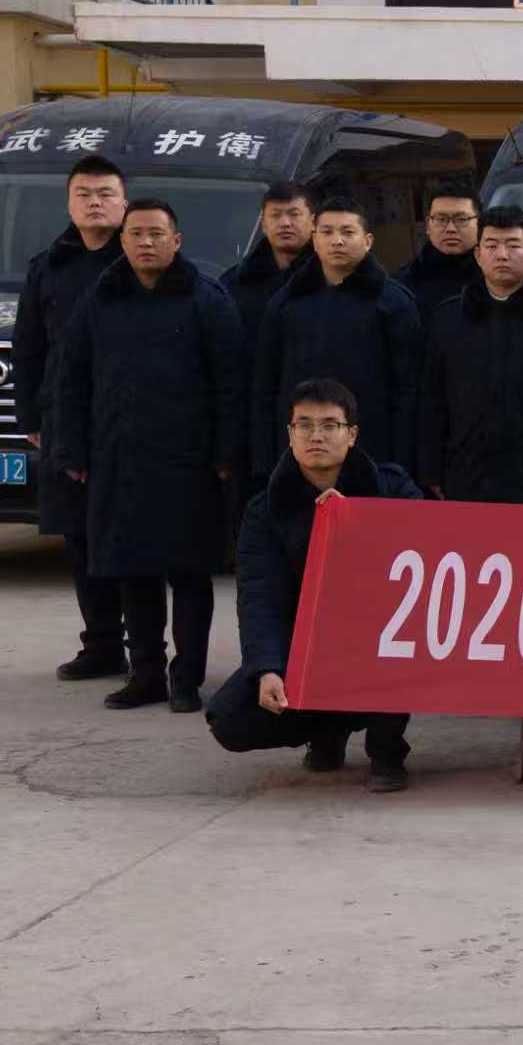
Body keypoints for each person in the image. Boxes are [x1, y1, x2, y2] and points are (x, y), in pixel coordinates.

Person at [54, 198, 243, 714]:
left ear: (176, 241)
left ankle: (187, 678)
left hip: (189, 465)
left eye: (156, 233)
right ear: (123, 241)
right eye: (136, 233)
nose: (146, 242)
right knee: (133, 573)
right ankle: (146, 675)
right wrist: (71, 449)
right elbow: (71, 379)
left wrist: (225, 455)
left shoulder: (206, 299)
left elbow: (231, 386)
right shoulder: (101, 298)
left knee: (189, 574)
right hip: (119, 461)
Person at [205, 379, 424, 793]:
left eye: (329, 425)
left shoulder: (393, 488)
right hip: (308, 640)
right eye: (304, 425)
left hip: (383, 633)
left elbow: (425, 558)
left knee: (392, 642)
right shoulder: (264, 510)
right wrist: (267, 668)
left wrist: (357, 521)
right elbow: (260, 596)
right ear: (290, 435)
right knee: (231, 719)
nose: (316, 436)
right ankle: (328, 728)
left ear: (351, 434)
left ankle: (386, 749)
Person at [14, 153, 129, 683]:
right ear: (68, 203)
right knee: (80, 539)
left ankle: (147, 651)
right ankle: (101, 645)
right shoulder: (48, 267)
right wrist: (30, 416)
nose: (94, 202)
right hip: (66, 422)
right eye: (84, 194)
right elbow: (28, 347)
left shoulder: (139, 261)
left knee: (131, 537)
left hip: (130, 423)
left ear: (123, 202)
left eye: (105, 193)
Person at [417, 205, 523, 503]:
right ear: (478, 254)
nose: (502, 255)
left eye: (512, 245)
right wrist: (430, 470)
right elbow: (432, 401)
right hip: (466, 474)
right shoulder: (447, 319)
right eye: (492, 245)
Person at [248, 197, 423, 478]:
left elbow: (407, 391)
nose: (337, 241)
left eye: (347, 232)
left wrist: (401, 465)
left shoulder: (393, 303)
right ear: (314, 239)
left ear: (367, 241)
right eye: (327, 232)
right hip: (298, 455)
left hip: (372, 452)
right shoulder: (286, 302)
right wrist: (264, 462)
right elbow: (264, 388)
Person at [226, 181, 314, 338]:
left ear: (313, 222)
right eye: (275, 215)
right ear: (263, 225)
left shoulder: (332, 279)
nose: (285, 223)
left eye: (294, 214)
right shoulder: (235, 283)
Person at [393, 182, 482, 311]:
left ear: (480, 224)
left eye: (461, 219)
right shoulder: (403, 283)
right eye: (441, 219)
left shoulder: (497, 275)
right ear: (428, 225)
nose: (451, 229)